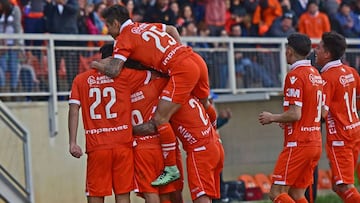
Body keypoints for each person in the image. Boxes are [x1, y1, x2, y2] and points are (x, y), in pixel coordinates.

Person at [91, 4, 217, 186]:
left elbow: (114, 69)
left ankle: (171, 169)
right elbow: (172, 29)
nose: (108, 32)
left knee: (160, 119)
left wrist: (95, 64)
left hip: (182, 69)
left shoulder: (123, 38)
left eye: (108, 26)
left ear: (116, 23)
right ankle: (215, 135)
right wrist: (177, 50)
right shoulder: (143, 26)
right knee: (204, 104)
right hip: (194, 59)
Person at [99, 43, 184, 203]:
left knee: (150, 191)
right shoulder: (154, 83)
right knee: (167, 192)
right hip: (162, 144)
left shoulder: (116, 90)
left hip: (140, 148)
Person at [68, 51, 151, 203]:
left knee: (95, 195)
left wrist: (72, 142)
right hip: (123, 145)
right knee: (123, 195)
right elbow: (151, 75)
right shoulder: (125, 76)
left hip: (97, 146)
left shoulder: (81, 80)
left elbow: (74, 109)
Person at [258, 33, 323, 203]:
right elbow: (317, 111)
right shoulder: (315, 73)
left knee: (276, 192)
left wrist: (272, 117)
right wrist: (284, 119)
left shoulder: (295, 76)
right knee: (297, 194)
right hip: (314, 141)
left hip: (299, 143)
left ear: (289, 51)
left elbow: (295, 113)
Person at [315, 31, 360, 203]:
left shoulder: (326, 78)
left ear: (327, 54)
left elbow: (322, 113)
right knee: (338, 184)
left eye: (318, 48)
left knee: (343, 186)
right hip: (354, 131)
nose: (315, 51)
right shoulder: (352, 72)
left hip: (340, 138)